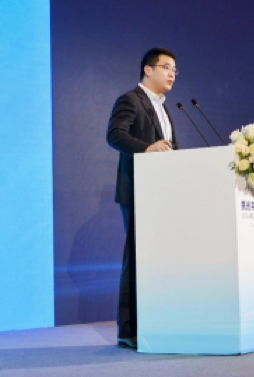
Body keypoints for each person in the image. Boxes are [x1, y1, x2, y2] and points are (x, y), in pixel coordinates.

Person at [106, 47, 179, 349]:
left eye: (175, 69)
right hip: (138, 190)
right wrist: (147, 149)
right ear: (148, 70)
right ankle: (128, 329)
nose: (172, 73)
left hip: (162, 193)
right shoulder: (130, 100)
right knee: (137, 259)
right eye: (166, 67)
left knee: (158, 260)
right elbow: (114, 134)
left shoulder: (165, 108)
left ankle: (157, 321)